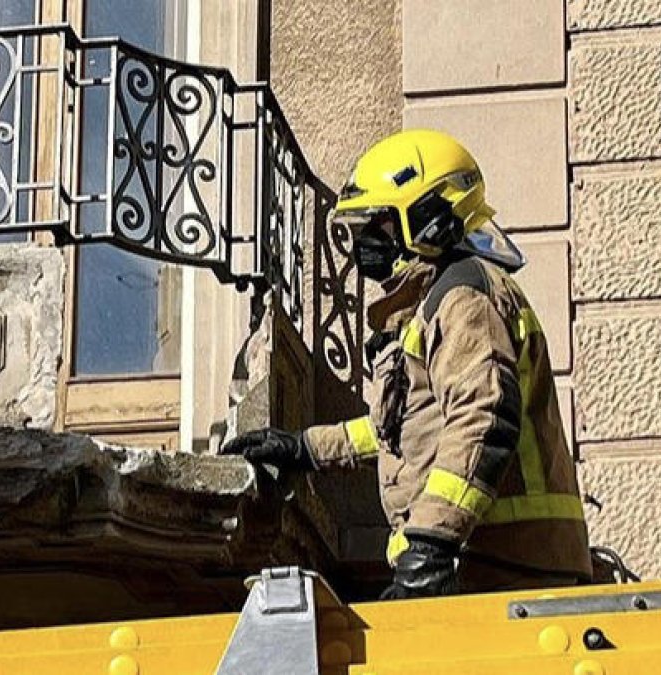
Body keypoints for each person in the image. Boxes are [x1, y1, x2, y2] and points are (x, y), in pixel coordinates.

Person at [222, 130, 591, 598]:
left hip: (503, 567)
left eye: (377, 228)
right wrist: (304, 448)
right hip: (487, 564)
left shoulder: (463, 298)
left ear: (428, 220)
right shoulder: (432, 305)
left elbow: (481, 418)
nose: (365, 247)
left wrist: (431, 546)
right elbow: (402, 427)